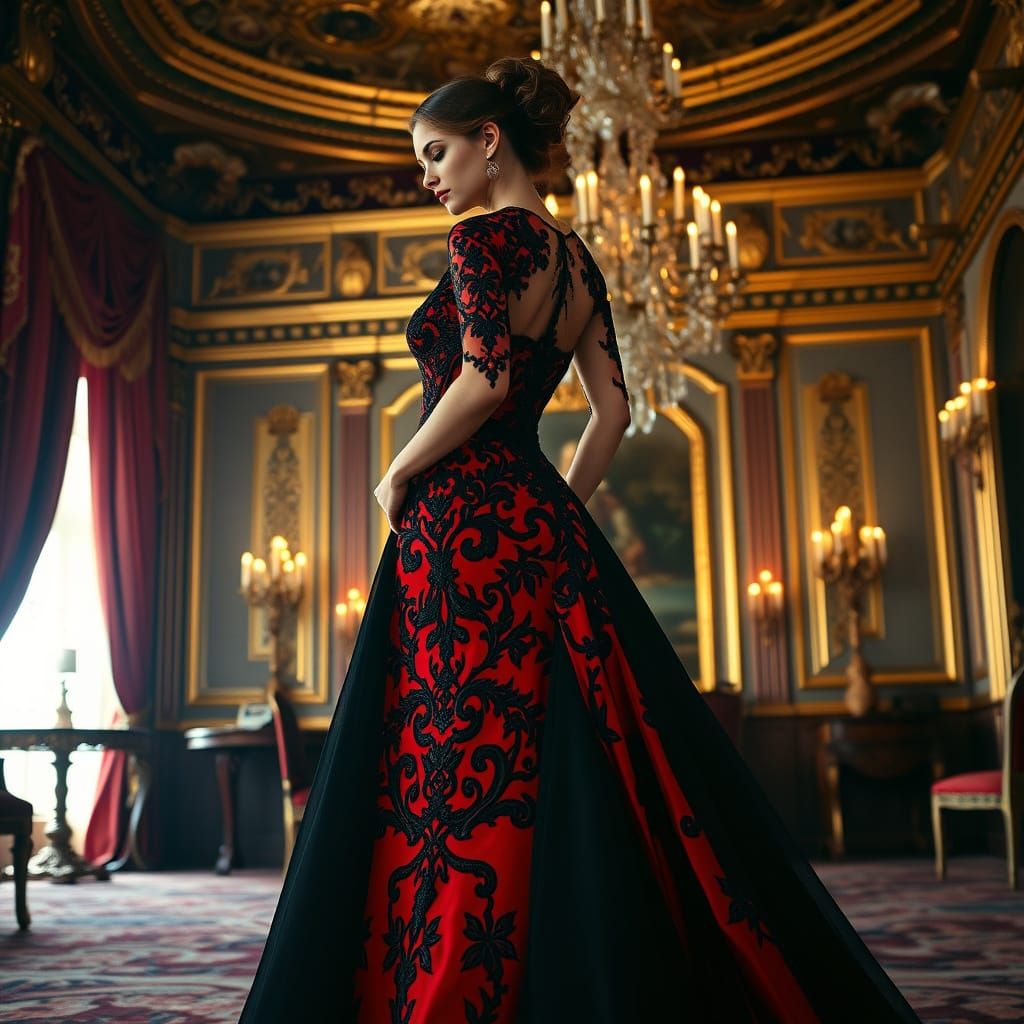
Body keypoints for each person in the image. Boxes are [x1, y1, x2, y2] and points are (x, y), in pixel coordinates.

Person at [238, 58, 923, 1024]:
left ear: (489, 143)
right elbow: (615, 409)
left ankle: (454, 975)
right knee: (558, 740)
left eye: (437, 154)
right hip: (534, 519)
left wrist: (397, 471)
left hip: (459, 525)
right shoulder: (577, 258)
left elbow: (478, 381)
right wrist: (554, 504)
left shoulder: (482, 242)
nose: (429, 178)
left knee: (453, 751)